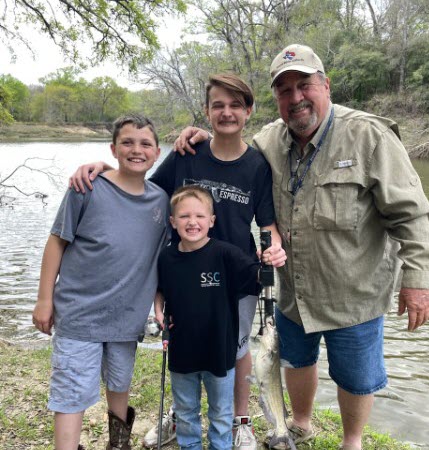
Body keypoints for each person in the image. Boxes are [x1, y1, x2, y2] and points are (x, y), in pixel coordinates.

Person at [173, 44, 429, 450]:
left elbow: (411, 213)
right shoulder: (268, 140)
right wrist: (202, 137)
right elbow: (232, 151)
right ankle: (300, 424)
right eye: (284, 90)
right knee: (296, 360)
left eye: (305, 85)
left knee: (355, 376)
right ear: (276, 99)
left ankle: (351, 442)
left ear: (326, 85)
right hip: (294, 292)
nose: (296, 97)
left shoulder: (370, 136)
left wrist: (417, 280)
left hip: (354, 292)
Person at [69, 73, 286, 450]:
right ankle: (178, 414)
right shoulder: (188, 153)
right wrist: (105, 169)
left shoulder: (257, 165)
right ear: (206, 110)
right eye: (218, 105)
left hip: (234, 277)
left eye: (235, 105)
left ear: (249, 111)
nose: (227, 113)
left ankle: (240, 421)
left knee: (236, 349)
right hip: (182, 273)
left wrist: (275, 248)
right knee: (183, 341)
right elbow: (140, 185)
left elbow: (267, 224)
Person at [32, 114, 170, 450]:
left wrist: (159, 303)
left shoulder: (161, 201)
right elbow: (56, 242)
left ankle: (118, 444)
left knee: (120, 382)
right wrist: (44, 299)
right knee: (71, 390)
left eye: (145, 144)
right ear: (113, 149)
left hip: (127, 318)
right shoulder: (86, 188)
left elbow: (159, 260)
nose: (136, 150)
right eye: (127, 142)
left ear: (157, 153)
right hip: (79, 314)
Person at [154, 185, 285, 450]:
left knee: (221, 414)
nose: (192, 222)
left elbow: (256, 278)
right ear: (173, 221)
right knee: (186, 412)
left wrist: (267, 261)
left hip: (220, 352)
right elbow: (161, 290)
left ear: (212, 221)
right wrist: (158, 308)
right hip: (181, 352)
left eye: (200, 216)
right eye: (184, 216)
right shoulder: (167, 256)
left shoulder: (226, 254)